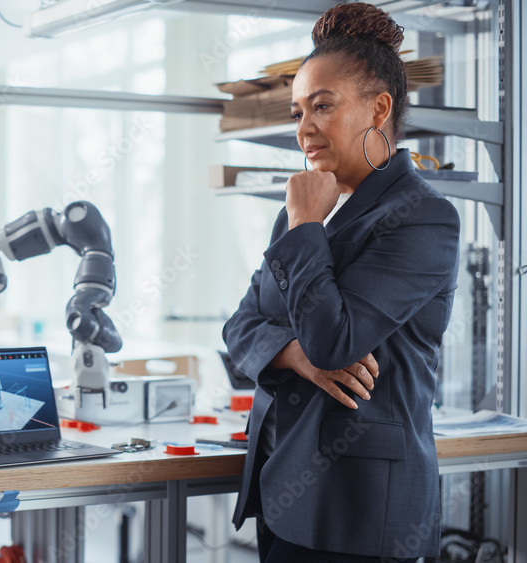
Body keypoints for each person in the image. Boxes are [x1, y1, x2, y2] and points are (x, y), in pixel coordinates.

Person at [223, 4, 460, 562]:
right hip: (283, 489)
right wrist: (294, 354)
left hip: (360, 513)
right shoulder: (302, 213)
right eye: (297, 110)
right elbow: (239, 330)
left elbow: (336, 340)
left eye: (322, 106)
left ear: (379, 109)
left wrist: (306, 225)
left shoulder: (422, 216)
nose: (303, 128)